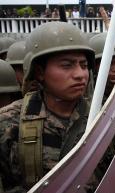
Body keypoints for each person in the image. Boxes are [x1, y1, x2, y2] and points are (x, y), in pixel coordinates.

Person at [0, 22, 95, 192]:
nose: (80, 74)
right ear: (39, 72)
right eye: (67, 65)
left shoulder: (101, 118)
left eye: (84, 65)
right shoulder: (8, 123)